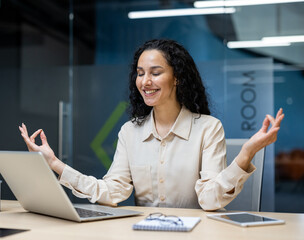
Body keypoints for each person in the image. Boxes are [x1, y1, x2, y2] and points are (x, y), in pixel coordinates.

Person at [19, 39, 284, 211]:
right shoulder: (130, 132)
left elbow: (210, 200)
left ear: (177, 77)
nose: (145, 81)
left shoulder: (208, 128)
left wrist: (246, 154)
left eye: (156, 73)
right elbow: (112, 192)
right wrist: (54, 163)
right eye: (140, 73)